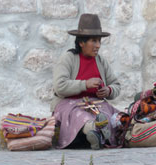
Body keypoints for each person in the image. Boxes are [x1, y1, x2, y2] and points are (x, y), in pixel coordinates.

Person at [51, 13, 121, 150]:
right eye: (93, 41)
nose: (98, 45)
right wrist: (85, 84)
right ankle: (93, 129)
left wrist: (108, 90)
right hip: (69, 104)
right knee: (81, 116)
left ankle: (98, 133)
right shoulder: (68, 58)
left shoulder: (100, 61)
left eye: (99, 41)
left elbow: (116, 85)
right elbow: (59, 86)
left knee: (110, 116)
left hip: (96, 103)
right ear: (81, 42)